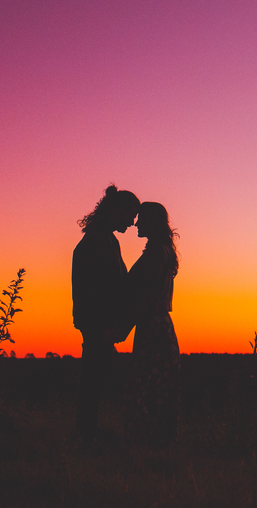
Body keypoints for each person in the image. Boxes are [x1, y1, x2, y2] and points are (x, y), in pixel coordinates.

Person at [72, 184, 140, 441]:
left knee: (96, 379)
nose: (132, 222)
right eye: (131, 215)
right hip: (97, 323)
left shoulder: (106, 240)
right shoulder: (97, 241)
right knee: (93, 379)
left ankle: (87, 432)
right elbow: (95, 288)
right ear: (118, 210)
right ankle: (86, 434)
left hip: (99, 322)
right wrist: (105, 326)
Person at [124, 201, 180, 446]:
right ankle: (156, 441)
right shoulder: (162, 250)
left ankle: (148, 441)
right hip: (159, 325)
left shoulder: (156, 253)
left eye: (142, 219)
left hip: (152, 326)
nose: (136, 224)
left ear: (152, 222)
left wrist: (122, 328)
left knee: (146, 386)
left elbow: (145, 296)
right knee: (157, 387)